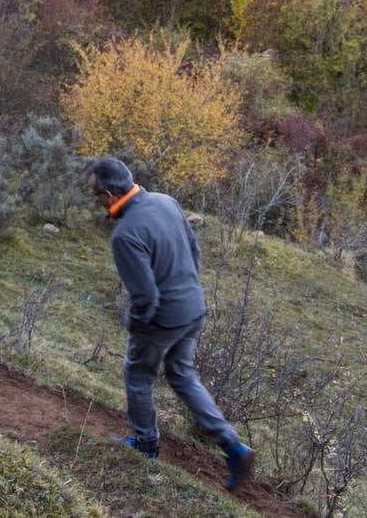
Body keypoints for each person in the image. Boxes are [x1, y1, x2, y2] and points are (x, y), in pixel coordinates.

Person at [83, 156, 255, 491]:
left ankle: (146, 447)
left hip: (162, 320)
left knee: (138, 375)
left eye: (95, 196)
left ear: (106, 194)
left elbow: (145, 297)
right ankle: (234, 447)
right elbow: (195, 254)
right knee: (182, 375)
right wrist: (184, 291)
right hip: (193, 307)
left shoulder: (125, 235)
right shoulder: (166, 201)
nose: (97, 202)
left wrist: (133, 321)